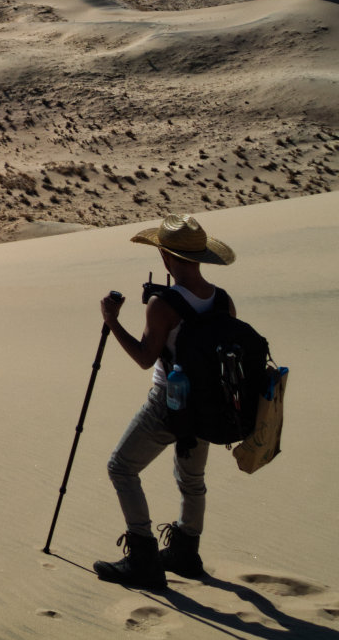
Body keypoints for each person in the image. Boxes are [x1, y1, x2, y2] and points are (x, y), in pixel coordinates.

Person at [93, 214, 237, 591]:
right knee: (192, 480)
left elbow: (145, 357)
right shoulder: (222, 300)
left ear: (165, 258)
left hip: (167, 403)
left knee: (121, 467)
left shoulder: (162, 304)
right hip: (207, 404)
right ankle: (186, 553)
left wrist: (112, 321)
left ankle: (143, 559)